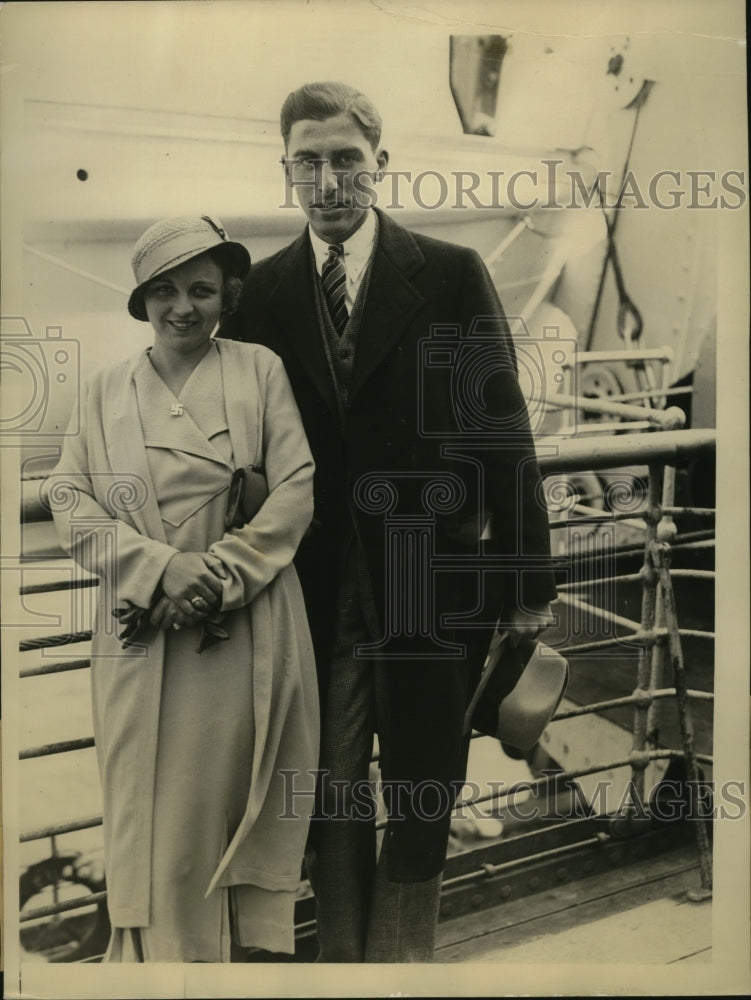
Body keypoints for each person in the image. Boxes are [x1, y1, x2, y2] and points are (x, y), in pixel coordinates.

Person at [219, 81, 557, 963]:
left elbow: (501, 429)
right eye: (308, 161)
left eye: (346, 160)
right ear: (285, 167)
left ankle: (402, 965)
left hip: (428, 580)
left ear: (380, 166)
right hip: (316, 589)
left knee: (422, 784)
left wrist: (528, 585)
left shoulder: (447, 275)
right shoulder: (263, 292)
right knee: (329, 785)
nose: (327, 180)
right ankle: (340, 965)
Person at [48, 215, 319, 962]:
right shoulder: (103, 391)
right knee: (153, 822)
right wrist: (163, 567)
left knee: (219, 813)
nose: (183, 307)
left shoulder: (258, 368)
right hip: (140, 629)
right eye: (164, 290)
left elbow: (295, 487)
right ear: (140, 298)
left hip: (241, 624)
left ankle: (227, 968)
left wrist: (216, 577)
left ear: (227, 294)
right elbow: (69, 501)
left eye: (202, 289)